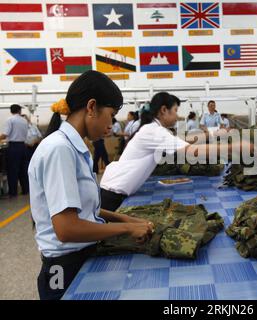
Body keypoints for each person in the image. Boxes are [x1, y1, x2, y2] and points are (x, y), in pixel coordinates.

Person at [28, 70, 154, 300]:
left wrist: (125, 218)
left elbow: (85, 210)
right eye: (111, 114)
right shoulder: (59, 149)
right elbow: (67, 229)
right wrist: (126, 229)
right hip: (63, 271)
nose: (111, 124)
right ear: (91, 107)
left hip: (82, 257)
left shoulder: (75, 147)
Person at [100, 92, 253, 211]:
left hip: (115, 189)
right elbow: (191, 151)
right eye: (175, 110)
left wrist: (212, 134)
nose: (177, 116)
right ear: (163, 110)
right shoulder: (154, 132)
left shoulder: (154, 129)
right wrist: (236, 147)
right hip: (113, 194)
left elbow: (184, 141)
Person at [0, 104, 29, 197]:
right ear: (19, 111)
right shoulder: (24, 121)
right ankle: (25, 190)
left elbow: (5, 135)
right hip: (23, 146)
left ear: (11, 111)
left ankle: (13, 192)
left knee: (13, 169)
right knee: (23, 169)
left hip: (13, 147)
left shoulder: (10, 120)